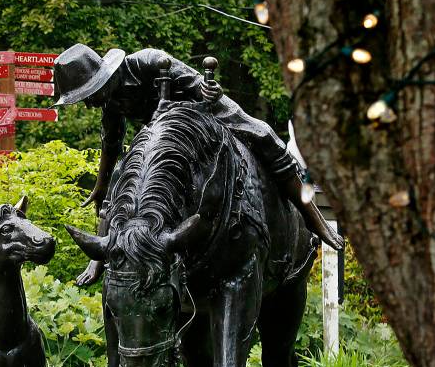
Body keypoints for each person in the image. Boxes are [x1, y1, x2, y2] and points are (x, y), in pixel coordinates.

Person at [53, 43, 344, 286]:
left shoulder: (149, 63)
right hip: (166, 141)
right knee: (123, 176)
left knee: (265, 135)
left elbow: (198, 85)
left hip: (202, 117)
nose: (89, 104)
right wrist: (102, 184)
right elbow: (111, 142)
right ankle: (100, 256)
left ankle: (311, 216)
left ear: (102, 79)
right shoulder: (110, 100)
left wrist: (211, 92)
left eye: (88, 95)